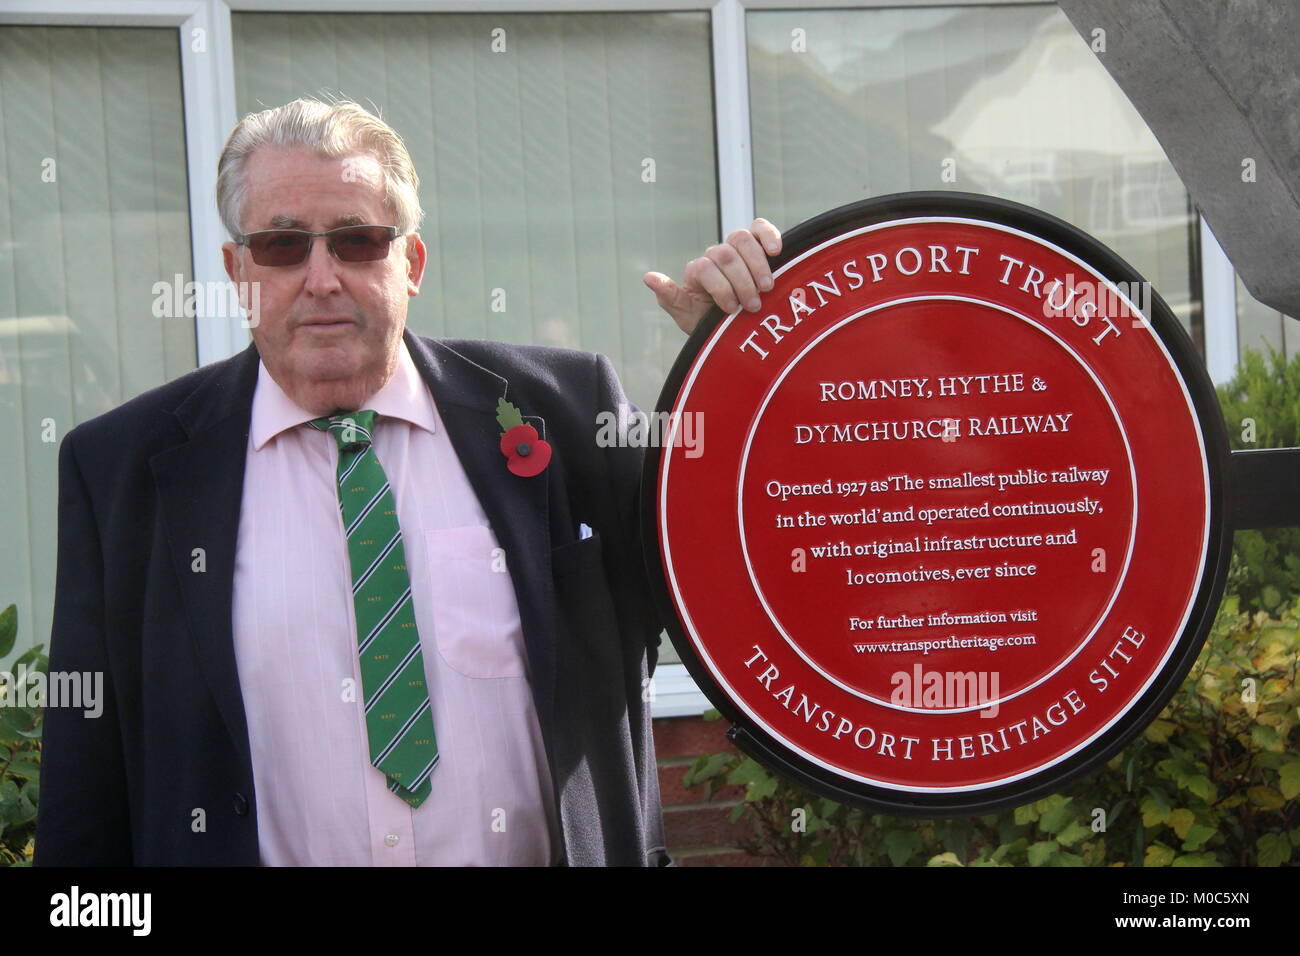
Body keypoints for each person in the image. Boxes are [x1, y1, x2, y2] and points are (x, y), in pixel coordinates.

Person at [32, 98, 781, 866]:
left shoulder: (566, 412)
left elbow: (751, 574)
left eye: (357, 241)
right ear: (236, 271)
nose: (321, 278)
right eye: (282, 246)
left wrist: (748, 359)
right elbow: (85, 790)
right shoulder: (124, 467)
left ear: (411, 263)